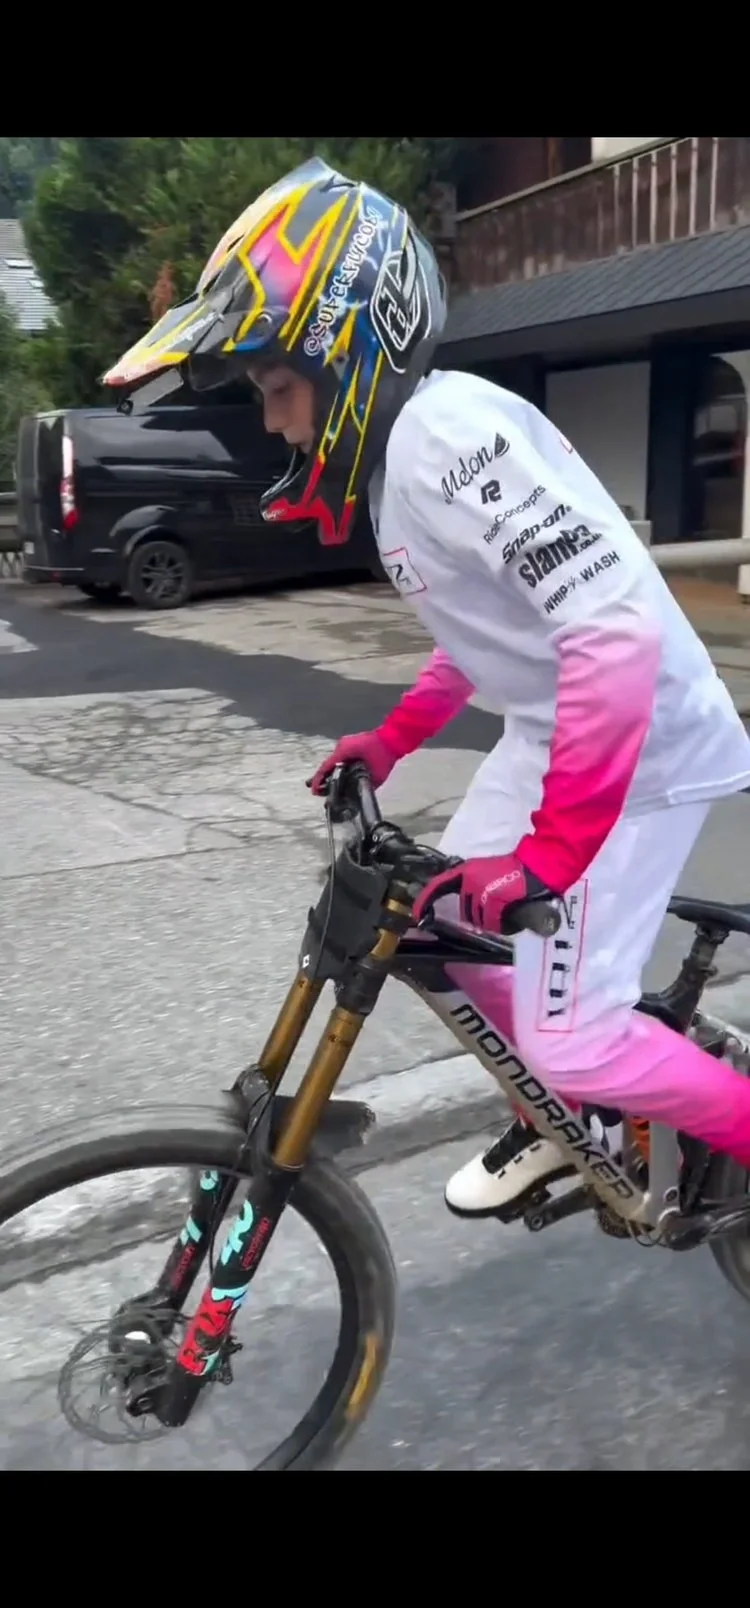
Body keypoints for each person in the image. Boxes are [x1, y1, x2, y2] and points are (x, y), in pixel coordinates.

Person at [102, 156, 750, 1221]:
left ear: (343, 349)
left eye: (276, 386)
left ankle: (665, 1103)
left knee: (572, 1032)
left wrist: (549, 854)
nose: (274, 422)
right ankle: (571, 1119)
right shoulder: (408, 461)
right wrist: (394, 739)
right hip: (558, 737)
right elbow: (484, 634)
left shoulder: (450, 438)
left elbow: (613, 633)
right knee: (437, 935)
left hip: (646, 754)